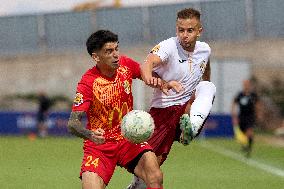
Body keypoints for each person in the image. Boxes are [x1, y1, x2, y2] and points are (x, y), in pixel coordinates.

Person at [126, 8, 216, 189]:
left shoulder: (205, 50)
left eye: (190, 30)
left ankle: (191, 127)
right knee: (150, 171)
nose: (184, 35)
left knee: (209, 86)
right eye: (180, 30)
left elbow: (206, 71)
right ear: (176, 29)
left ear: (199, 31)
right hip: (163, 112)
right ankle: (135, 186)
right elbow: (147, 64)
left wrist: (200, 95)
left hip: (185, 110)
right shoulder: (168, 46)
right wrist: (150, 77)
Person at [67, 30, 164, 189]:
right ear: (96, 57)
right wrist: (89, 134)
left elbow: (147, 75)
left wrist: (165, 83)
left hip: (128, 139)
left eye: (116, 49)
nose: (116, 55)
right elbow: (72, 123)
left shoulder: (125, 65)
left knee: (155, 175)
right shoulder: (87, 83)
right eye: (109, 51)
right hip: (100, 147)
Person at [231, 79, 259, 157]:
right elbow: (234, 103)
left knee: (249, 132)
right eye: (244, 84)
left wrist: (257, 114)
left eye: (247, 84)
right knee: (243, 134)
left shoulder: (253, 95)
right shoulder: (240, 94)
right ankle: (244, 145)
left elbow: (257, 104)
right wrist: (234, 115)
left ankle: (249, 148)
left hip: (250, 116)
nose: (246, 85)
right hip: (241, 116)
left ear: (249, 85)